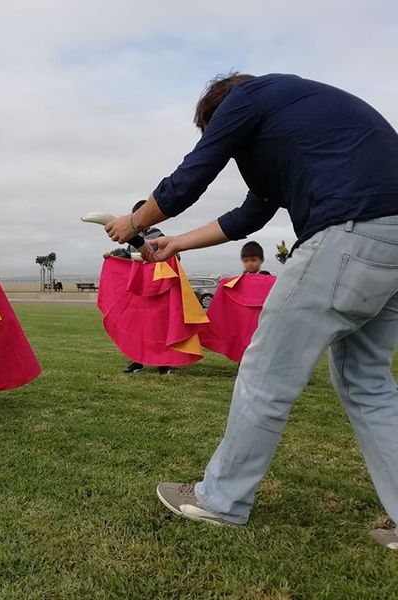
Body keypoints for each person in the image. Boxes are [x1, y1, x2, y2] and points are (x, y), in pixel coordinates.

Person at [104, 73, 398, 549]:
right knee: (368, 381)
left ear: (216, 114)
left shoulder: (247, 96)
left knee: (265, 372)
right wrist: (173, 242)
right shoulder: (300, 117)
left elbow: (191, 176)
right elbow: (249, 215)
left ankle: (220, 499)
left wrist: (134, 221)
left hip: (347, 231)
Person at [104, 200, 173, 375]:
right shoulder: (131, 238)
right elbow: (128, 256)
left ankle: (163, 363)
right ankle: (137, 360)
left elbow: (172, 255)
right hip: (138, 287)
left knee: (158, 326)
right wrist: (112, 256)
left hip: (157, 288)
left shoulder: (158, 235)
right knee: (137, 324)